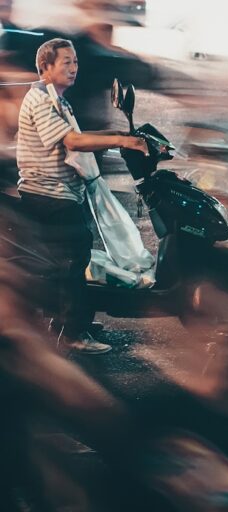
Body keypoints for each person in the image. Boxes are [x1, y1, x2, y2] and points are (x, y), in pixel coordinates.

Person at [16, 37, 147, 354]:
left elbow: (79, 134)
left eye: (75, 62)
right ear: (46, 67)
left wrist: (128, 136)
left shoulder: (59, 100)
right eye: (66, 62)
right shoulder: (40, 101)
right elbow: (73, 141)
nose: (74, 68)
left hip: (61, 192)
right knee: (73, 259)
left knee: (76, 256)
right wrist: (123, 141)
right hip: (48, 193)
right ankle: (72, 333)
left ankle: (68, 320)